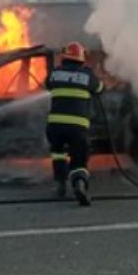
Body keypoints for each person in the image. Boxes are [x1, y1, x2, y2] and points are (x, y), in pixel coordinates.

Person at [45, 41, 103, 206]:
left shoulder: (54, 74)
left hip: (55, 126)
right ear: (81, 58)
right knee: (79, 159)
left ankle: (60, 184)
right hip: (77, 127)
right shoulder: (87, 76)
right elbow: (99, 88)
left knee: (58, 154)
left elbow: (47, 85)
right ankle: (79, 184)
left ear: (64, 57)